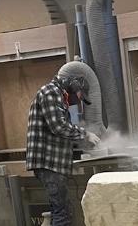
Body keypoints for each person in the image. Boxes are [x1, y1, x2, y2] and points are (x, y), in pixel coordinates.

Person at [26, 75, 101, 226]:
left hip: (52, 164)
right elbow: (58, 126)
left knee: (60, 211)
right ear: (72, 87)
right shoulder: (51, 92)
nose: (78, 102)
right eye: (79, 97)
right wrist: (85, 134)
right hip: (49, 164)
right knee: (63, 213)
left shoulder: (57, 97)